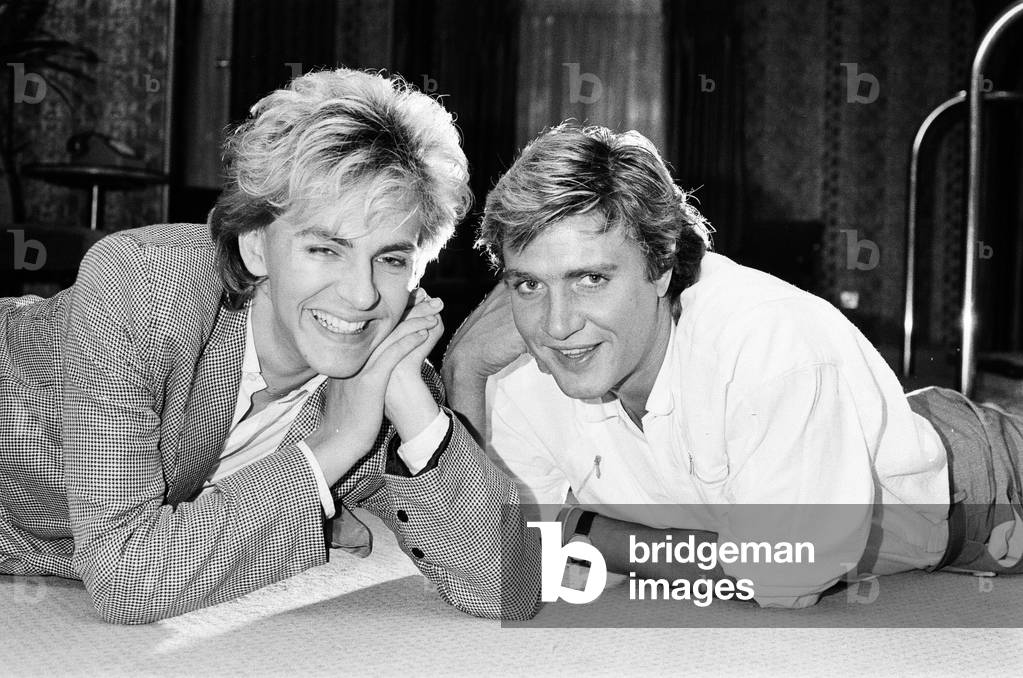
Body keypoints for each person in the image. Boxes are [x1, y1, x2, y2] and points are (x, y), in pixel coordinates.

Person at [0, 68, 539, 624]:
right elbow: (127, 581)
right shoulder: (145, 285)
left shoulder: (384, 373)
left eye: (392, 258)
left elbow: (513, 589)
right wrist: (332, 448)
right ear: (255, 246)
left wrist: (412, 394)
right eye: (325, 249)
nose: (361, 295)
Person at [442, 122, 1023, 609]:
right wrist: (463, 370)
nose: (557, 324)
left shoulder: (767, 341)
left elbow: (784, 574)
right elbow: (502, 571)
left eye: (590, 278)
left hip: (986, 489)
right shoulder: (525, 365)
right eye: (528, 285)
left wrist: (585, 531)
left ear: (660, 267)